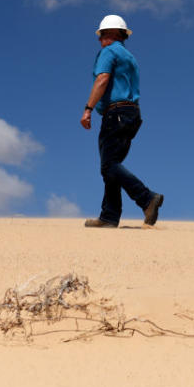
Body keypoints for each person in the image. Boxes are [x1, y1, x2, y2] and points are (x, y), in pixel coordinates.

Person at [80, 14, 163, 228]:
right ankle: (109, 216)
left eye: (102, 35)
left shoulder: (108, 52)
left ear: (112, 34)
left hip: (115, 113)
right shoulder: (130, 56)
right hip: (131, 114)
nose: (100, 40)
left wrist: (88, 108)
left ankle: (146, 198)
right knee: (111, 166)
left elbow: (102, 79)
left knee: (108, 165)